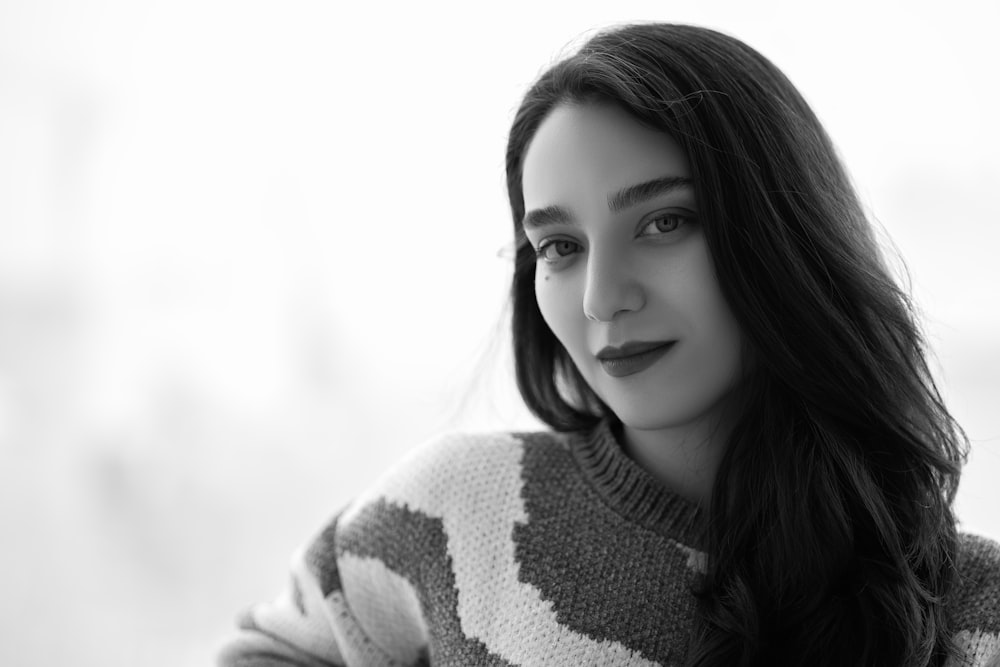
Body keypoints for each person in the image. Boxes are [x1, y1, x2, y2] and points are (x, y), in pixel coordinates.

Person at [216, 22, 1000, 666]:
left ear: (784, 236)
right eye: (560, 246)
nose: (600, 297)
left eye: (664, 223)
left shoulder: (975, 609)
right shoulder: (453, 515)